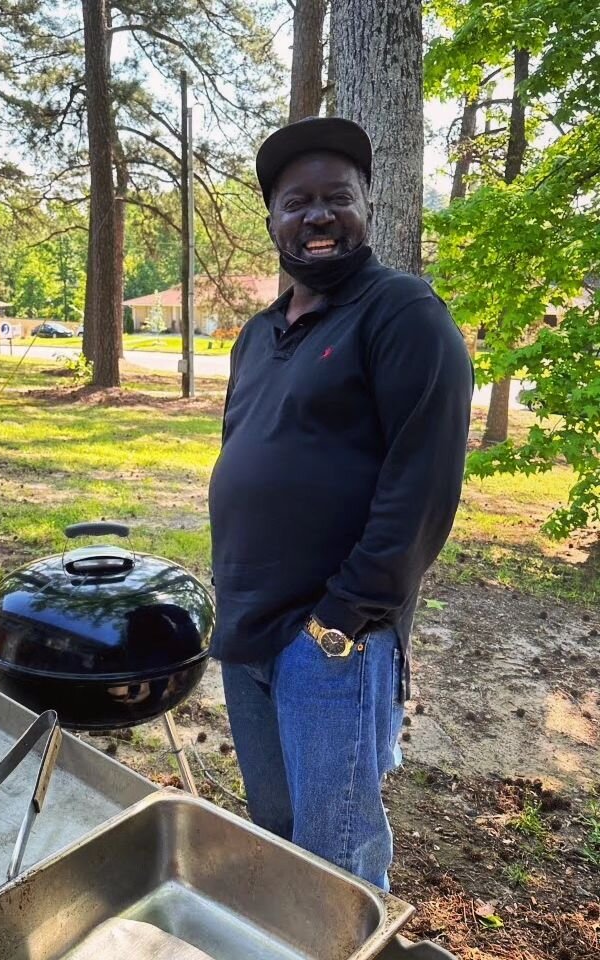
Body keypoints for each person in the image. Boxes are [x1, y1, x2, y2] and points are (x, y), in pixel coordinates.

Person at [208, 116, 473, 890]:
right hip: (247, 626)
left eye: (337, 197)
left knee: (339, 851)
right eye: (296, 202)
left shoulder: (402, 314)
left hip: (328, 641)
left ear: (366, 209)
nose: (317, 216)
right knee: (279, 831)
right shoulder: (257, 335)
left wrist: (342, 619)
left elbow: (421, 486)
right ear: (273, 221)